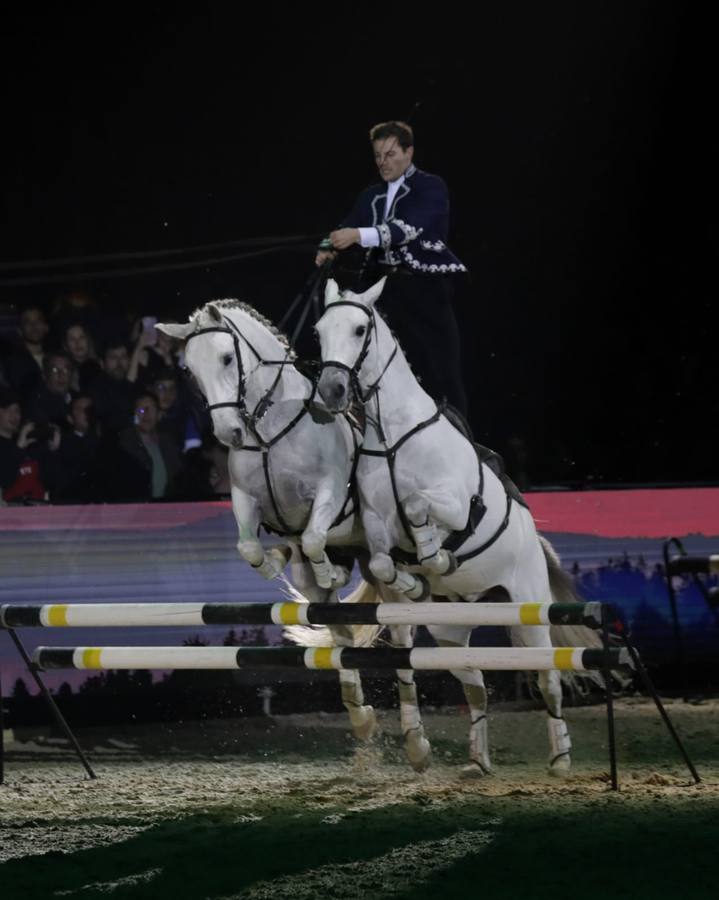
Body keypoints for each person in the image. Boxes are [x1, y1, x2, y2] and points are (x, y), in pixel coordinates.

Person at [315, 120, 468, 415]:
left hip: (423, 286)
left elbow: (407, 228)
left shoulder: (430, 186)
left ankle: (462, 434)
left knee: (443, 366)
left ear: (409, 153)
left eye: (390, 154)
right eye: (377, 156)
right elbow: (346, 225)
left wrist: (358, 235)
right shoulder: (370, 196)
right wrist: (327, 246)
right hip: (382, 288)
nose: (382, 163)